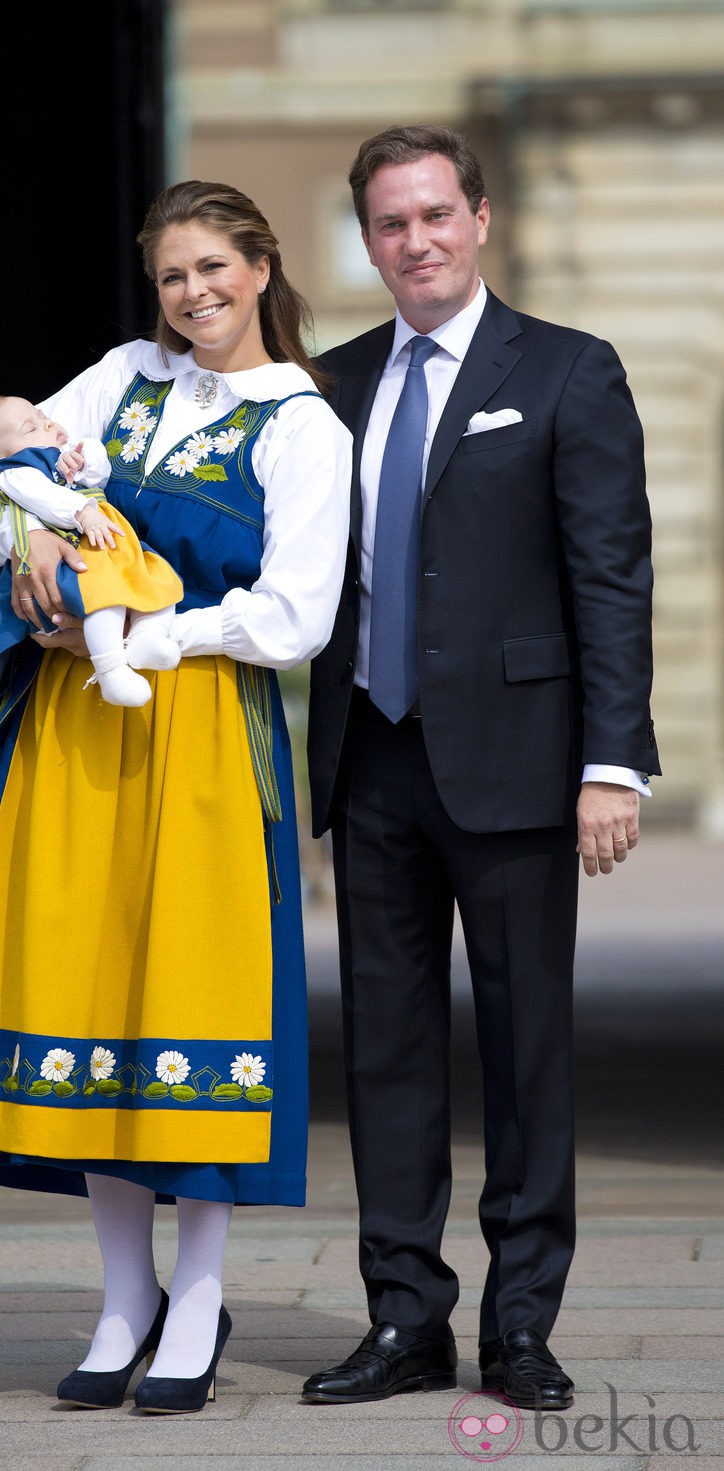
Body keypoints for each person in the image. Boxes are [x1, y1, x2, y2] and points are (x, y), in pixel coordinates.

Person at [0, 179, 352, 1415]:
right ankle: (121, 1298)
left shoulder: (301, 426)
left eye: (214, 267)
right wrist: (32, 541)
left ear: (262, 268)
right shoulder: (117, 377)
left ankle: (199, 1298)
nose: (193, 294)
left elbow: (294, 615)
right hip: (75, 737)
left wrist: (150, 634)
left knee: (188, 1007)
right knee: (91, 994)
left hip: (204, 733)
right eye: (172, 275)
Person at [303, 125, 659, 1413]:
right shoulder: (327, 383)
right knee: (382, 1060)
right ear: (368, 238)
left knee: (523, 1053)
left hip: (518, 763)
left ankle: (520, 1327)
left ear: (480, 219)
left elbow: (611, 578)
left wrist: (610, 761)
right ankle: (403, 1320)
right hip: (371, 758)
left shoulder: (565, 372)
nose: (415, 241)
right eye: (390, 223)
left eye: (434, 215)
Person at [0, 394, 183, 706]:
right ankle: (111, 668)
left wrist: (84, 459)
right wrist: (82, 512)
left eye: (42, 416)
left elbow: (98, 476)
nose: (46, 423)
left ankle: (147, 637)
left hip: (103, 540)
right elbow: (41, 496)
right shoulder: (15, 472)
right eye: (30, 429)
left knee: (155, 577)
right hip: (76, 548)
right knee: (106, 597)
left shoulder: (51, 459)